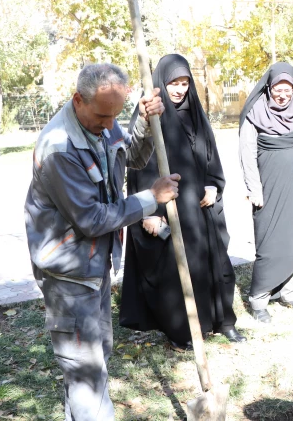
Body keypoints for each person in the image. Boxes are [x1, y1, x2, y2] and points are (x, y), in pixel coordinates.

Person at [24, 63, 180, 421]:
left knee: (95, 359)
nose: (110, 125)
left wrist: (141, 122)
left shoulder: (101, 124)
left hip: (94, 267)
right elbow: (92, 219)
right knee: (86, 374)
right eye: (102, 116)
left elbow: (133, 158)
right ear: (78, 99)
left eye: (116, 115)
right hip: (68, 274)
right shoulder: (59, 148)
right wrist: (150, 198)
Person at [119, 54, 245, 349]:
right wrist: (147, 213)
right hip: (169, 209)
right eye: (174, 82)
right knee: (177, 273)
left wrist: (214, 185)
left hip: (200, 209)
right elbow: (135, 167)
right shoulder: (150, 115)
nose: (179, 89)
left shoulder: (196, 115)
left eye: (185, 82)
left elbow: (211, 156)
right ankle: (185, 331)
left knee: (214, 264)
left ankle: (223, 321)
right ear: (162, 83)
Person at [238, 62, 293, 323]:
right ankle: (259, 299)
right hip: (269, 191)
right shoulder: (255, 112)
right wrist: (254, 189)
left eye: (288, 88)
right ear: (269, 87)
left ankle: (290, 291)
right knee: (270, 243)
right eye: (278, 87)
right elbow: (247, 154)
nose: (283, 94)